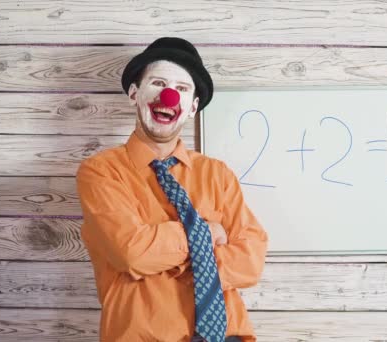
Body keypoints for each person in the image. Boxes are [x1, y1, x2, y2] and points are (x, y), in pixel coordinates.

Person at [76, 37, 268, 342]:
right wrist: (207, 235)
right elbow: (132, 254)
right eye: (158, 83)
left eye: (181, 89)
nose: (169, 95)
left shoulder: (218, 174)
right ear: (134, 94)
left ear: (192, 107)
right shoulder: (100, 172)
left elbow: (250, 262)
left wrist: (168, 251)